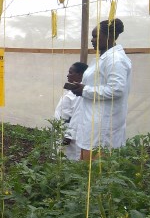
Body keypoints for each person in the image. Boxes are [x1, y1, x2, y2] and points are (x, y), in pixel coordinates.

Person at [71, 18, 132, 160]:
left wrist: (84, 90)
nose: (92, 40)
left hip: (102, 124)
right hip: (93, 121)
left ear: (109, 36)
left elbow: (116, 90)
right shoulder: (105, 58)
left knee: (95, 167)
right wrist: (82, 89)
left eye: (96, 36)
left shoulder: (115, 59)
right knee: (86, 166)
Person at [54, 62, 88, 160]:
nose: (68, 75)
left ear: (80, 75)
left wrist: (68, 135)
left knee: (70, 159)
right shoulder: (72, 90)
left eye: (71, 72)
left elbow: (78, 114)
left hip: (70, 136)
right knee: (60, 158)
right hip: (63, 130)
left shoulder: (80, 93)